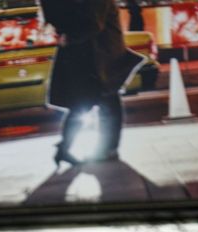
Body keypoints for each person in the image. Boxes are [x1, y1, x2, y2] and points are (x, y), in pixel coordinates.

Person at [40, 0, 145, 166]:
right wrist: (70, 37)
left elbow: (89, 22)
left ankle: (68, 148)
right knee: (100, 103)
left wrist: (68, 36)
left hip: (92, 55)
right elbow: (93, 24)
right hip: (96, 57)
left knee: (85, 104)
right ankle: (102, 149)